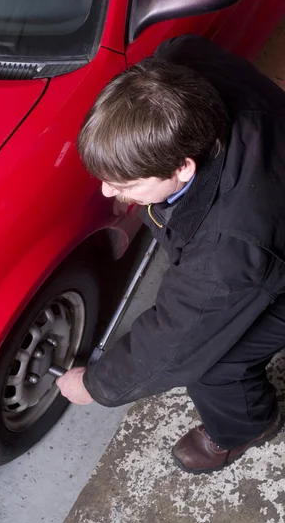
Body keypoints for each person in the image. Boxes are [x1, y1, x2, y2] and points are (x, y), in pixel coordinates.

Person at [56, 34, 285, 475]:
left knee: (215, 364)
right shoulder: (179, 61)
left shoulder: (226, 252)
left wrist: (95, 386)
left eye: (127, 183)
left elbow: (175, 342)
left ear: (183, 167)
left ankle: (248, 426)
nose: (107, 191)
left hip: (272, 248)